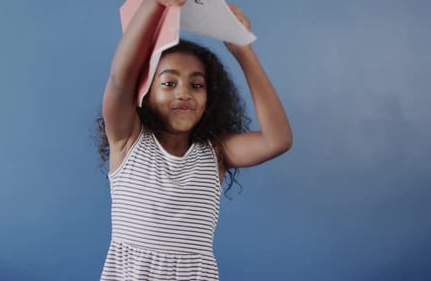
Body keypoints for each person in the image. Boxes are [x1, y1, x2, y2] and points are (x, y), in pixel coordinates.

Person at [97, 0, 292, 280]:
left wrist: (243, 50)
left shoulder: (215, 152)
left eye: (197, 85)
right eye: (169, 83)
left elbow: (278, 140)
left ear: (210, 98)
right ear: (145, 92)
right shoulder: (128, 139)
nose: (184, 93)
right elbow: (119, 79)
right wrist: (155, 4)